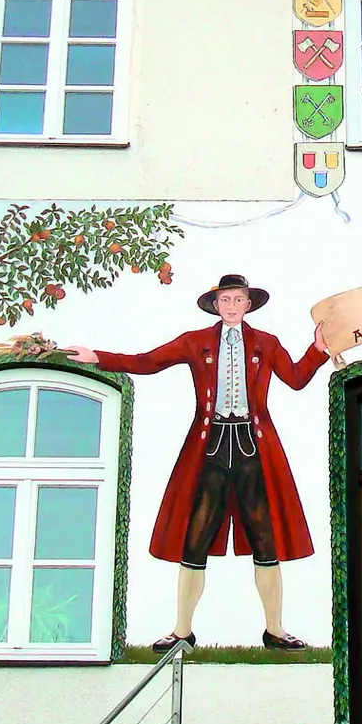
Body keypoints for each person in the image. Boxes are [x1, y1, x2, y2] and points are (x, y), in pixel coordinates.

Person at [64, 274, 330, 652]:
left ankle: (275, 630)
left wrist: (317, 349)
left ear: (249, 304)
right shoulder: (196, 342)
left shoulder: (266, 344)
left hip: (254, 448)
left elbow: (297, 378)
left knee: (264, 537)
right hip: (211, 447)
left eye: (239, 300)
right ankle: (182, 630)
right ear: (216, 305)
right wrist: (100, 357)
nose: (233, 306)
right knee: (196, 536)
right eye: (226, 300)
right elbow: (148, 361)